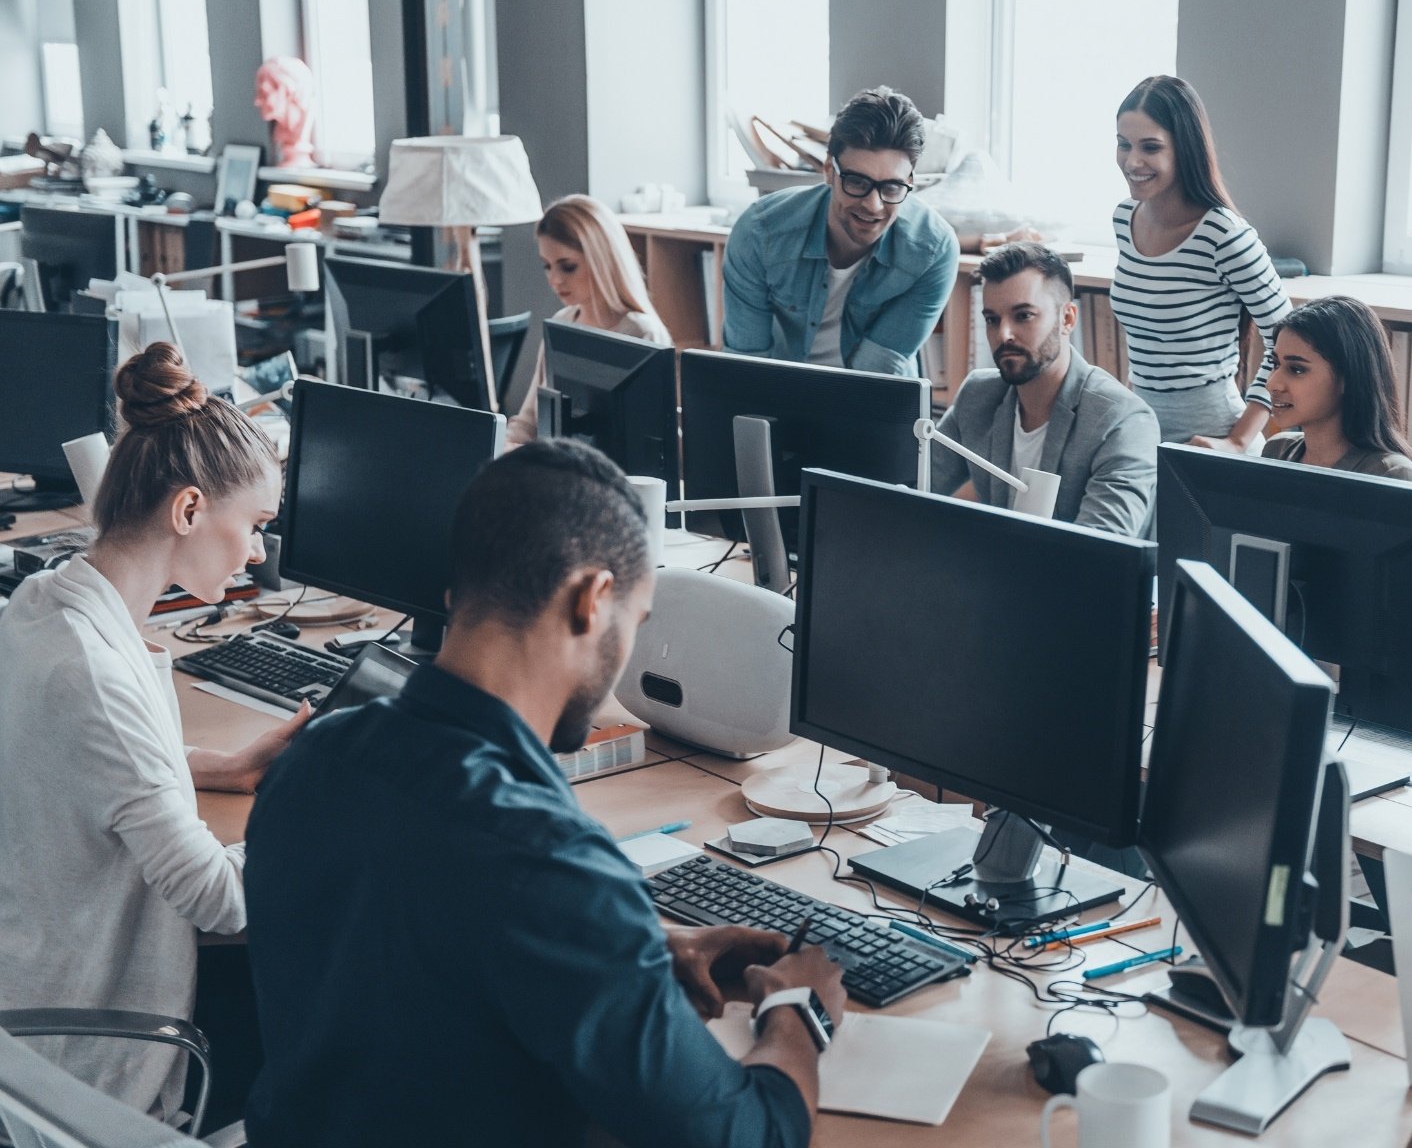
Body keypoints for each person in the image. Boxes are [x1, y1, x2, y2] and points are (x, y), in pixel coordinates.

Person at [242, 440, 841, 1148]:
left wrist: (636, 948)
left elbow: (417, 944)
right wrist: (800, 1012)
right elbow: (752, 1137)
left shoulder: (312, 760)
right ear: (592, 601)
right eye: (636, 623)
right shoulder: (549, 860)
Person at [0, 342, 309, 1121]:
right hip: (93, 1051)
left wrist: (216, 765)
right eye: (256, 524)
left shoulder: (46, 601)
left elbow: (67, 755)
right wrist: (335, 838)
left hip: (37, 977)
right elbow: (216, 897)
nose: (259, 551)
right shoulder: (93, 674)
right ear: (190, 509)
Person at [721, 85, 959, 376]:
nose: (873, 205)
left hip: (874, 401)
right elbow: (747, 367)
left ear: (910, 181)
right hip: (780, 394)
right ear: (828, 171)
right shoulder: (760, 234)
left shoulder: (933, 251)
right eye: (857, 182)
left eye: (892, 187)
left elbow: (879, 370)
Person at [1110, 75, 1292, 443]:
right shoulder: (1122, 219)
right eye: (1123, 144)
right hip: (1140, 429)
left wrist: (1238, 442)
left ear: (1184, 149)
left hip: (1211, 433)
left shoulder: (1224, 235)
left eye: (1150, 147)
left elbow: (1288, 341)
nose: (1132, 161)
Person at [932, 243, 1159, 537]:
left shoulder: (1123, 421)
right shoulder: (978, 395)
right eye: (992, 319)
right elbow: (911, 485)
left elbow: (1101, 552)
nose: (1004, 335)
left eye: (1023, 315)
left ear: (1067, 319)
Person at [1196, 295, 1412, 481]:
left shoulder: (1390, 473)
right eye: (1276, 365)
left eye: (1296, 369)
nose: (1272, 383)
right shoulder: (1277, 450)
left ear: (1348, 377)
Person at [508, 193, 673, 443]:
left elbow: (655, 442)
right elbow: (528, 422)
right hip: (556, 469)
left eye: (568, 266)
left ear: (601, 260)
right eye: (547, 265)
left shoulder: (642, 333)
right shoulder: (562, 323)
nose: (554, 280)